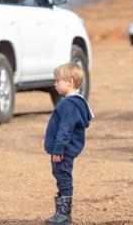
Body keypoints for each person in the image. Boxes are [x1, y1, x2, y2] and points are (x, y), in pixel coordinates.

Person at [44, 63, 94, 225]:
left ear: (69, 82)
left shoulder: (68, 105)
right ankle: (61, 213)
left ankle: (64, 215)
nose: (55, 84)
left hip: (63, 151)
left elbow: (65, 130)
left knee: (63, 177)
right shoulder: (75, 102)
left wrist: (58, 150)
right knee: (61, 176)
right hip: (64, 150)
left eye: (57, 81)